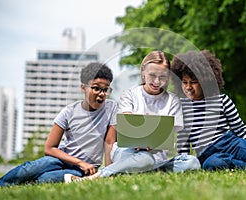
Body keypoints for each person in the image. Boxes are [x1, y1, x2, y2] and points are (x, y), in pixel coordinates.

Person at [64, 50, 200, 183]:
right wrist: (141, 139)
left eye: (162, 76)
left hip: (157, 159)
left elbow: (168, 135)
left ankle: (138, 171)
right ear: (143, 73)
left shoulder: (173, 100)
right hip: (126, 152)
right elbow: (127, 127)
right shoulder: (130, 95)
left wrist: (154, 143)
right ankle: (99, 175)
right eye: (152, 75)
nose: (157, 81)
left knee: (192, 162)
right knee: (145, 159)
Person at [0, 62, 117, 187]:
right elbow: (49, 148)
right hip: (60, 159)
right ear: (83, 87)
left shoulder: (111, 108)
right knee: (30, 168)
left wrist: (107, 172)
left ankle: (28, 183)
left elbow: (109, 142)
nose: (102, 94)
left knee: (48, 179)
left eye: (105, 89)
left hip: (85, 169)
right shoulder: (68, 112)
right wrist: (79, 162)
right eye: (96, 88)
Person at [171, 49, 246, 170]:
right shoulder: (181, 106)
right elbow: (183, 139)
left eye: (193, 82)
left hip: (232, 145)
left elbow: (240, 129)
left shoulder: (222, 100)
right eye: (184, 82)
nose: (188, 87)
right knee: (212, 165)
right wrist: (183, 162)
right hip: (208, 155)